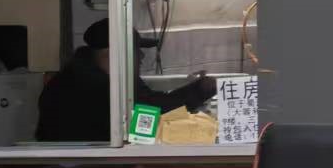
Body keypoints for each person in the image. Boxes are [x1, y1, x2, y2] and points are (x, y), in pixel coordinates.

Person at [35, 18, 215, 142]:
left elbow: (149, 102)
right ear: (113, 55)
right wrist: (201, 90)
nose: (141, 57)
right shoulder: (97, 86)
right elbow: (153, 113)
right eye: (136, 51)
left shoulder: (79, 75)